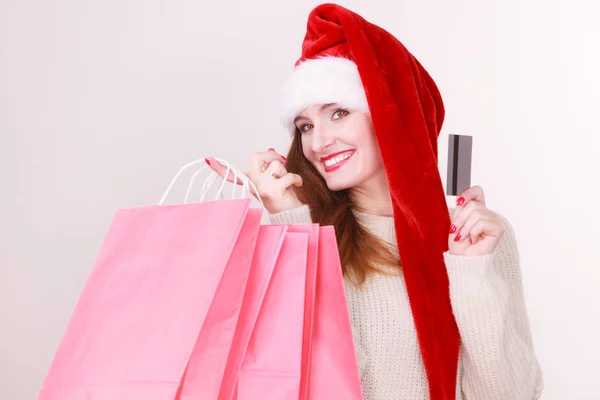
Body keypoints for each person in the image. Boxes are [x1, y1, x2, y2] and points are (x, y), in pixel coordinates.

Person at [207, 3, 543, 400]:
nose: (317, 143)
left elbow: (515, 395)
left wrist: (471, 272)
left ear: (393, 114)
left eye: (339, 112)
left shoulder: (480, 234)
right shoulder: (303, 235)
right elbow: (304, 381)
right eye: (306, 126)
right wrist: (292, 227)